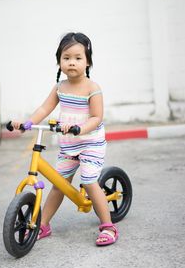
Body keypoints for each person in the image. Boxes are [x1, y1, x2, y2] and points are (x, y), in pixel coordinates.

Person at [12, 32, 118, 246]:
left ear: (88, 61)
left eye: (78, 58)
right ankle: (43, 224)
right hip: (69, 144)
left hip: (90, 143)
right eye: (66, 57)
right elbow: (44, 108)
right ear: (59, 61)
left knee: (89, 181)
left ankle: (108, 226)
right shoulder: (60, 87)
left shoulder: (92, 88)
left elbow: (97, 117)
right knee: (59, 184)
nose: (72, 62)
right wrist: (27, 123)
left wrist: (79, 128)